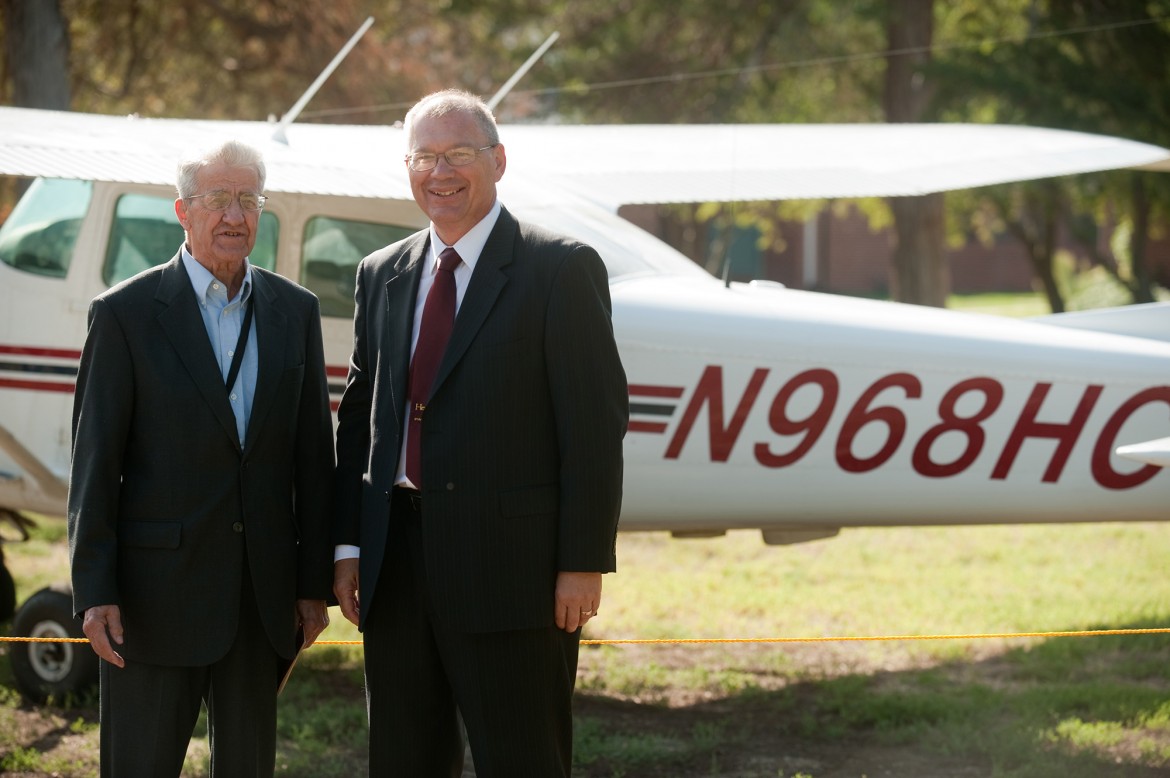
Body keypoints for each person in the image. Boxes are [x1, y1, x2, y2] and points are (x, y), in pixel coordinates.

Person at [332, 89, 628, 776]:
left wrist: (582, 561)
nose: (441, 171)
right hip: (395, 565)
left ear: (498, 160)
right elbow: (359, 422)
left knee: (523, 759)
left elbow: (593, 424)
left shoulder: (559, 269)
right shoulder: (381, 274)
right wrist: (347, 546)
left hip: (515, 572)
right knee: (404, 759)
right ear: (407, 168)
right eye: (425, 156)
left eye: (458, 154)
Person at [67, 138, 335, 777]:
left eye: (248, 200)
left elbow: (312, 460)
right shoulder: (124, 314)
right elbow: (95, 464)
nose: (235, 216)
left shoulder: (294, 311)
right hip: (152, 603)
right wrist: (94, 589)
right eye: (218, 200)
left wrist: (310, 585)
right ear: (183, 211)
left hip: (259, 602)